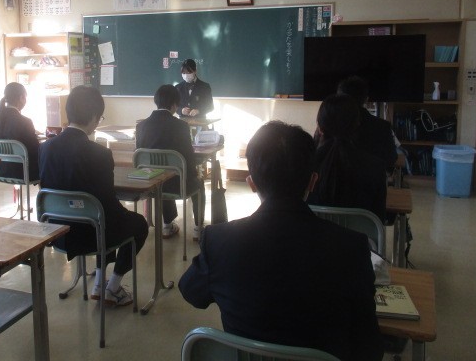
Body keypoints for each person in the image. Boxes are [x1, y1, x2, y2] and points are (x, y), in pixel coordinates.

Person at [179, 121, 383, 361]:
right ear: (312, 181)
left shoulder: (219, 241)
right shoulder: (351, 248)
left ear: (251, 183)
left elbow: (191, 293)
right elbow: (370, 349)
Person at [39, 85, 148, 307]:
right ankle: (112, 287)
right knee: (137, 224)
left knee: (99, 217)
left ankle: (99, 283)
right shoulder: (100, 154)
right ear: (93, 116)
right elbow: (107, 206)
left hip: (57, 233)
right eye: (99, 118)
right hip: (90, 234)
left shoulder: (45, 148)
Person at [136, 84, 206, 239]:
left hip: (150, 184)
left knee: (162, 174)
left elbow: (139, 155)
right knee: (196, 182)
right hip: (178, 185)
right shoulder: (181, 126)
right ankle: (198, 229)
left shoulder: (141, 126)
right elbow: (188, 157)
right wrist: (195, 175)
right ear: (175, 104)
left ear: (156, 101)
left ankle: (167, 225)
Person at [307, 94, 387, 222]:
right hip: (359, 235)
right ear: (356, 126)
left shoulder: (304, 163)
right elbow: (379, 218)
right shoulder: (376, 167)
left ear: (320, 128)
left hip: (313, 234)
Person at [337, 75, 398, 173]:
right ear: (366, 99)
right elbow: (391, 159)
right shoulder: (383, 127)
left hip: (337, 180)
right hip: (372, 180)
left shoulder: (330, 124)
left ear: (339, 98)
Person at [0, 82, 40, 180]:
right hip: (25, 172)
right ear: (21, 98)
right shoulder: (25, 121)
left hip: (3, 171)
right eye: (25, 97)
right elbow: (35, 150)